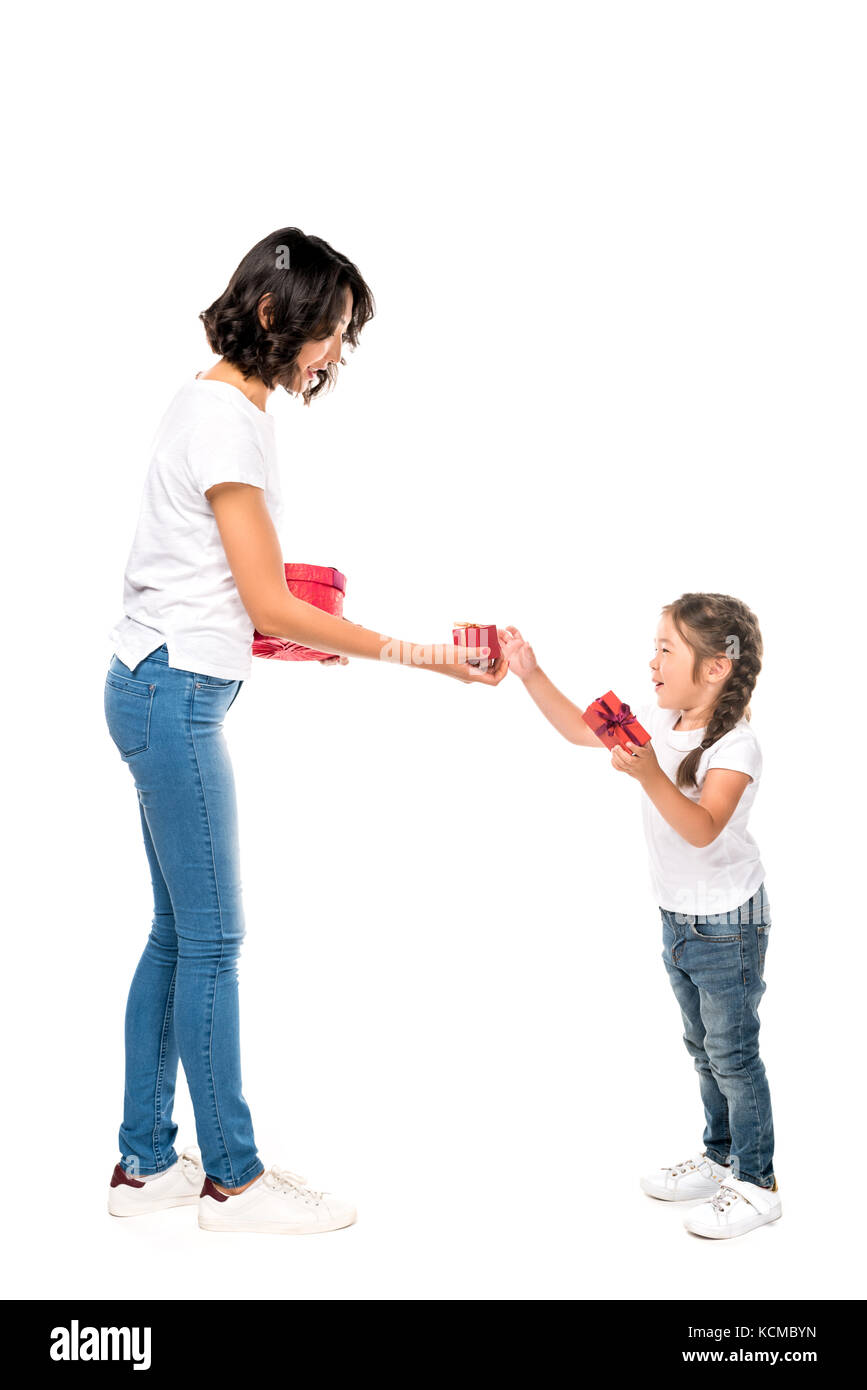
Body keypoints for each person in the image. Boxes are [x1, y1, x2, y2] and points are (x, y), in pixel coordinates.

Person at [104, 226, 507, 1237]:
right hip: (175, 694)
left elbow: (233, 588)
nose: (333, 356)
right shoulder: (230, 423)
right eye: (329, 333)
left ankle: (145, 1161)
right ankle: (233, 1181)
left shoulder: (207, 402)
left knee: (176, 933)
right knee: (214, 941)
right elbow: (267, 605)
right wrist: (419, 654)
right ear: (277, 315)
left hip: (156, 679)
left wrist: (270, 614)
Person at [498, 592, 780, 1240]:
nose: (650, 659)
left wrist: (650, 774)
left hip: (726, 924)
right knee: (701, 1050)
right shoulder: (657, 717)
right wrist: (530, 672)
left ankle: (757, 1180)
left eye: (665, 648)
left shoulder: (735, 747)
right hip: (678, 918)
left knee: (732, 1055)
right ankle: (719, 1158)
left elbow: (703, 828)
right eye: (654, 645)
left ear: (713, 668)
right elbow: (578, 728)